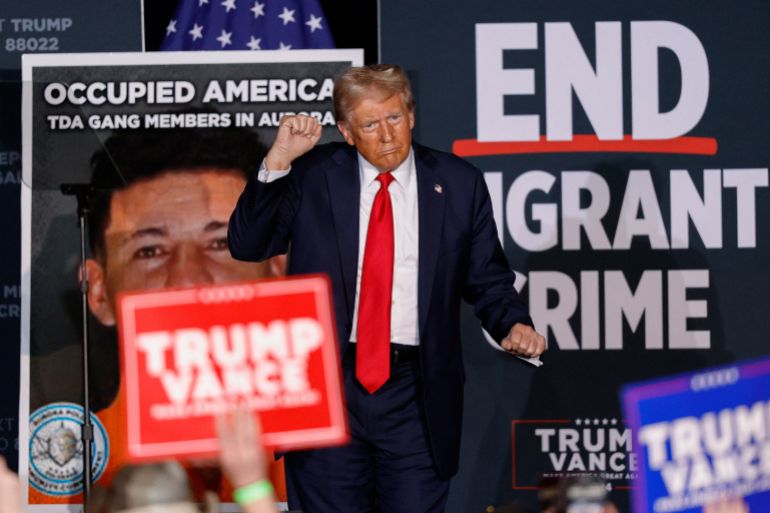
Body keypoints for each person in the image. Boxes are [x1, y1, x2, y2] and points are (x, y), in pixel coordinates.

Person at [228, 64, 546, 512]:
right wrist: (279, 159)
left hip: (417, 394)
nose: (388, 135)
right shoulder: (315, 174)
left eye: (395, 118)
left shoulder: (458, 183)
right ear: (346, 131)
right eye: (370, 125)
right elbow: (248, 244)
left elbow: (488, 278)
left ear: (412, 115)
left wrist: (513, 322)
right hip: (327, 387)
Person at [28, 125, 287, 505]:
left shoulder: (334, 454)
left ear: (277, 271)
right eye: (150, 251)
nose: (188, 281)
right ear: (99, 293)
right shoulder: (56, 477)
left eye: (222, 242)